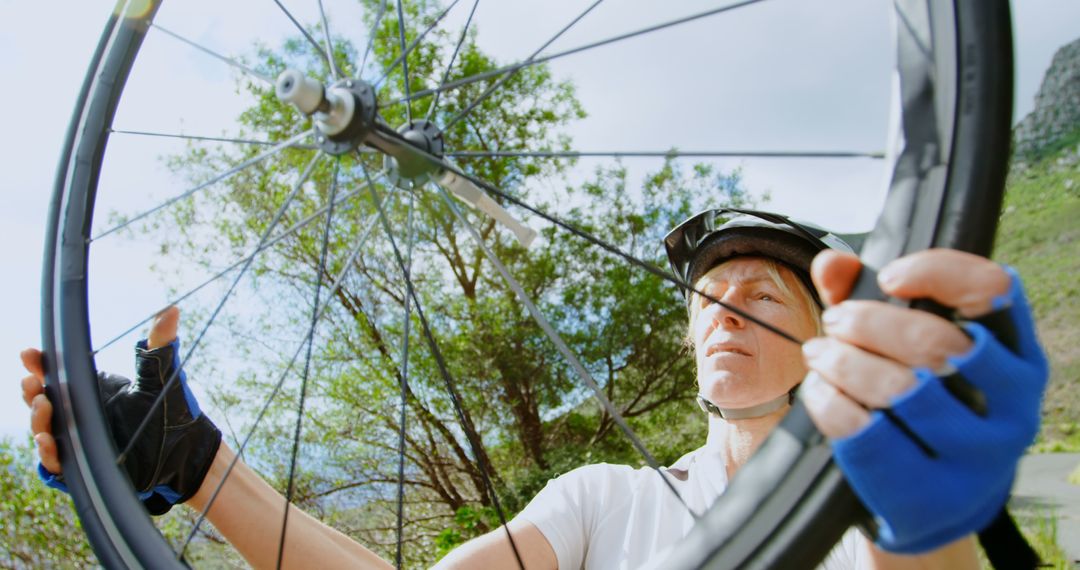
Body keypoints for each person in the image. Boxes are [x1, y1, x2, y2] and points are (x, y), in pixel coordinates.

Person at [20, 208, 1045, 569]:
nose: (725, 310)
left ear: (829, 332)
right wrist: (199, 470)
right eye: (708, 298)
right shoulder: (607, 500)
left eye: (764, 296)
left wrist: (929, 537)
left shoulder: (876, 508)